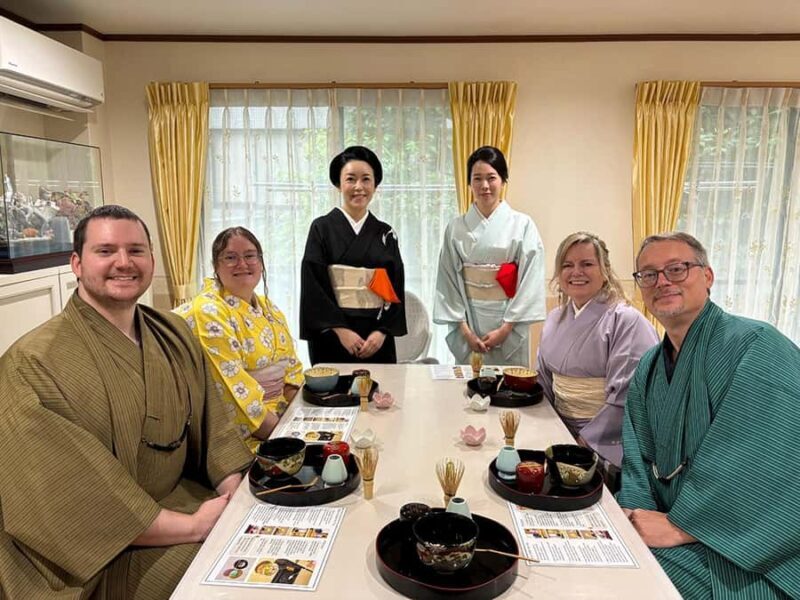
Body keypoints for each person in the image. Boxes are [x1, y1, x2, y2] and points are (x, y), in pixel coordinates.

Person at [0, 206, 253, 599]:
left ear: (152, 260)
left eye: (136, 250)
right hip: (98, 552)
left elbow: (213, 423)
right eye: (105, 251)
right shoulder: (30, 363)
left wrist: (230, 491)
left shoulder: (174, 332)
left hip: (187, 502)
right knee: (228, 580)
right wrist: (195, 527)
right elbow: (68, 498)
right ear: (77, 263)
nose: (123, 263)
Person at [618, 232, 800, 599]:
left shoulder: (757, 344)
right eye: (649, 275)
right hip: (669, 526)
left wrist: (683, 526)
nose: (662, 281)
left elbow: (770, 460)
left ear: (708, 276)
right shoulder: (650, 366)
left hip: (744, 548)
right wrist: (634, 513)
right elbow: (636, 455)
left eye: (677, 268)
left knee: (624, 585)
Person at [537, 232, 658, 480]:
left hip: (603, 442)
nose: (576, 272)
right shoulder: (554, 318)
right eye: (567, 265)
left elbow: (627, 395)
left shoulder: (626, 320)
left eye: (587, 264)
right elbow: (543, 380)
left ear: (605, 271)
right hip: (557, 429)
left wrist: (584, 442)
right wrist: (547, 428)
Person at [177, 227, 304, 451]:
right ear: (216, 266)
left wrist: (299, 419)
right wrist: (282, 437)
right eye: (230, 257)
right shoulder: (209, 310)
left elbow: (292, 373)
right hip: (244, 428)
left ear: (261, 262)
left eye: (249, 255)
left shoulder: (269, 308)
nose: (242, 264)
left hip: (281, 417)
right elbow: (232, 390)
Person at [434, 146, 546, 366]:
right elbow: (448, 281)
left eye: (491, 178)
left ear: (503, 180)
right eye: (477, 179)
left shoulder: (522, 224)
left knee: (508, 391)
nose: (484, 186)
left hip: (508, 322)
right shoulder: (455, 228)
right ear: (469, 183)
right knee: (470, 389)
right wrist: (465, 332)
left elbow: (530, 279)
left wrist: (506, 329)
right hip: (469, 322)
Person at [300, 146, 407, 364]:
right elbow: (314, 286)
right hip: (333, 336)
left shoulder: (385, 233)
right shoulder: (321, 228)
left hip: (375, 337)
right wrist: (342, 331)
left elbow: (394, 287)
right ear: (339, 184)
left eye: (366, 179)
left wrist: (382, 332)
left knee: (379, 394)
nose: (359, 187)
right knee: (336, 394)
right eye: (351, 179)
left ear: (375, 185)